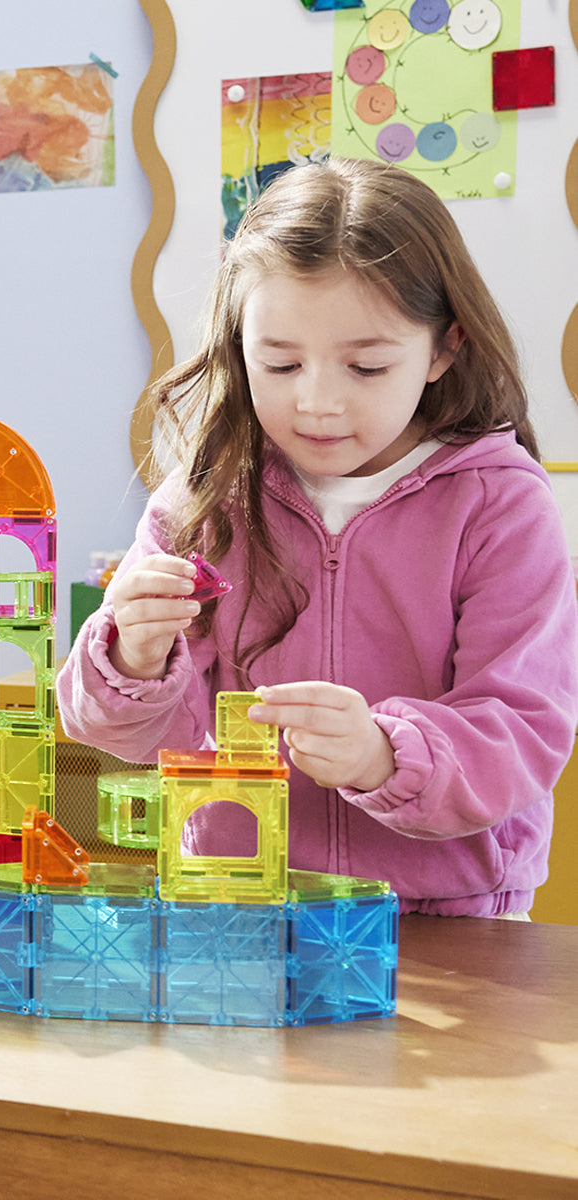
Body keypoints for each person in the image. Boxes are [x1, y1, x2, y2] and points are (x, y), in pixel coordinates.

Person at [57, 157, 578, 918]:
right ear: (240, 347)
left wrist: (381, 755)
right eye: (280, 363)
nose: (317, 402)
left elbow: (523, 730)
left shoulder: (498, 505)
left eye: (366, 366)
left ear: (444, 348)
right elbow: (131, 735)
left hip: (447, 916)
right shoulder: (204, 501)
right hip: (240, 902)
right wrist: (132, 655)